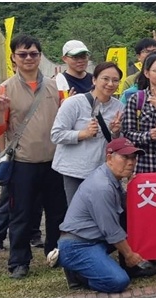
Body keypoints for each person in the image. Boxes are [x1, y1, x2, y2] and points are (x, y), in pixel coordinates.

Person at [0, 34, 66, 279]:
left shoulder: (55, 86)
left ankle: (55, 253)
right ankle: (19, 261)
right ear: (13, 57)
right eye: (23, 54)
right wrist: (1, 111)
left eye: (33, 53)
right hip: (23, 163)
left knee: (56, 213)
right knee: (20, 214)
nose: (29, 58)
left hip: (54, 162)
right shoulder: (4, 88)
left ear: (40, 56)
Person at [57, 137, 156, 293]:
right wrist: (129, 255)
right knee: (118, 281)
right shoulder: (102, 186)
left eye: (133, 158)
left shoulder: (111, 178)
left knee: (132, 219)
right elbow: (111, 230)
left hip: (94, 238)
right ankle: (77, 274)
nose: (131, 162)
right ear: (109, 158)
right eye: (125, 157)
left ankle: (128, 268)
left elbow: (126, 211)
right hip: (78, 245)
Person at [51, 62, 124, 204]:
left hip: (104, 171)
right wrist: (83, 134)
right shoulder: (73, 103)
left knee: (102, 211)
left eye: (115, 80)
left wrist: (115, 133)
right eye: (105, 79)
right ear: (94, 80)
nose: (110, 84)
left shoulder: (119, 107)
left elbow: (118, 144)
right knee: (78, 213)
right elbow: (56, 135)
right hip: (75, 171)